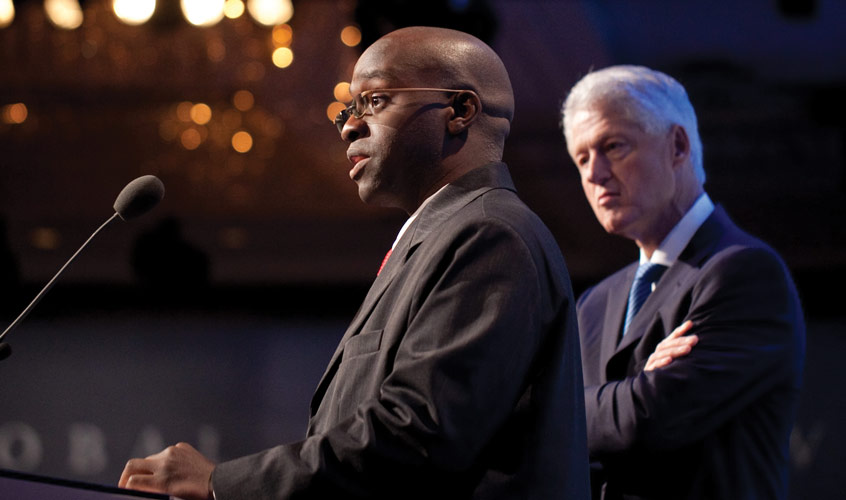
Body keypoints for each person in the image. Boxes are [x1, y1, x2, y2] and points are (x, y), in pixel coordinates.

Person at [120, 26, 590, 499]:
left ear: (460, 110)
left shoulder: (490, 235)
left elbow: (417, 434)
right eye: (349, 108)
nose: (348, 126)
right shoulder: (443, 236)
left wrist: (222, 483)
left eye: (375, 100)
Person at [560, 64, 806, 500]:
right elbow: (562, 450)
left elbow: (650, 419)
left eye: (612, 146)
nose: (594, 173)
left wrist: (580, 408)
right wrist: (629, 394)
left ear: (677, 146)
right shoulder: (594, 305)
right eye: (582, 158)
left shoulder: (744, 272)